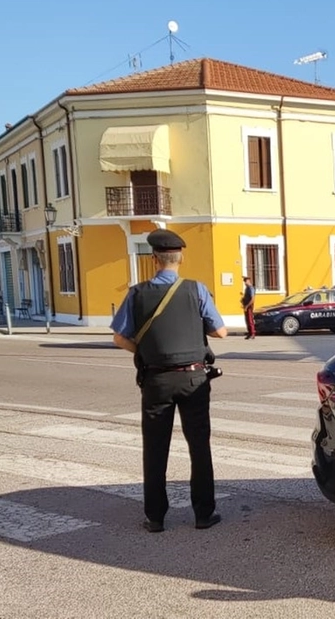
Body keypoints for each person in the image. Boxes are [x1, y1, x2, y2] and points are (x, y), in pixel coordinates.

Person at [110, 228, 227, 533]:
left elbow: (119, 338)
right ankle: (203, 514)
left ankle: (155, 517)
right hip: (193, 379)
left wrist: (145, 350)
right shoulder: (196, 290)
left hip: (156, 380)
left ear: (154, 259)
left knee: (155, 447)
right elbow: (221, 332)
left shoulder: (136, 293)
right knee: (199, 446)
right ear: (181, 258)